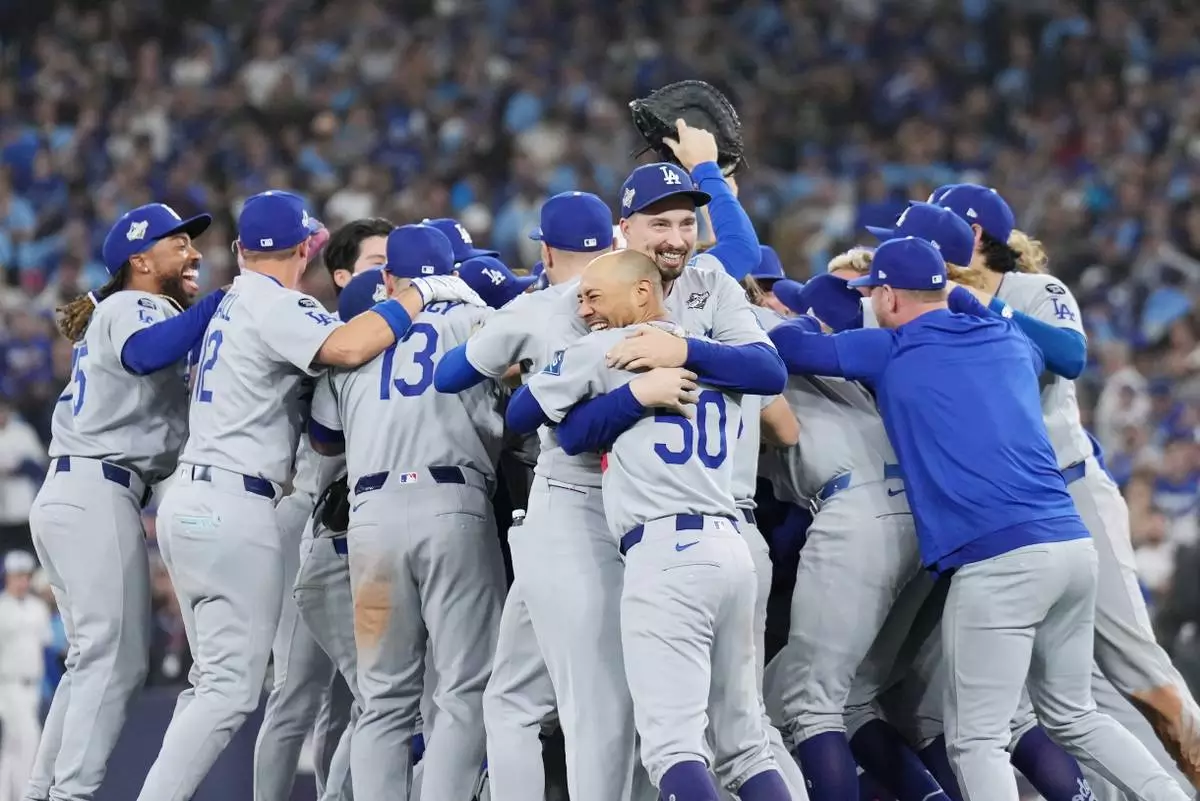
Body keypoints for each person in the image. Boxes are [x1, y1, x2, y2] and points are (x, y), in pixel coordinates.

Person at [768, 236, 1191, 801]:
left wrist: (804, 319)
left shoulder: (890, 348)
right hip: (1070, 544)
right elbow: (999, 326)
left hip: (999, 561)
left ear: (889, 295)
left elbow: (790, 349)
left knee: (976, 741)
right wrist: (962, 299)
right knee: (1075, 717)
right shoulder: (1009, 337)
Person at [136, 190, 484, 801]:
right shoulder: (277, 303)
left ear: (241, 249)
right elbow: (349, 348)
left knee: (212, 684)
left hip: (193, 497)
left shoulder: (235, 299)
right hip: (233, 504)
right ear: (304, 249)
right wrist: (422, 290)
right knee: (230, 691)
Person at [934, 183, 1200, 790]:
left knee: (1136, 664)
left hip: (1072, 491)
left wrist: (988, 308)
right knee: (1072, 700)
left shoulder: (1033, 290)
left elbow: (1071, 355)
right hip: (1012, 515)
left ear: (975, 235)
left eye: (941, 228)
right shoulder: (938, 302)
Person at [508, 249, 792, 801]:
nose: (584, 307)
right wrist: (636, 397)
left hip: (668, 553)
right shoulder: (723, 356)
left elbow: (523, 416)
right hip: (732, 545)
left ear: (643, 291)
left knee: (672, 749)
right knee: (745, 746)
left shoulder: (609, 347)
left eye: (594, 295)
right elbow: (768, 371)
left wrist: (623, 392)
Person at [27, 202, 224, 801]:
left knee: (93, 660)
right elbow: (144, 353)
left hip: (80, 491)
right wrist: (222, 304)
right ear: (141, 260)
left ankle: (42, 791)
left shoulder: (130, 308)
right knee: (114, 663)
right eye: (178, 244)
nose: (193, 252)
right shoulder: (133, 305)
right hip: (96, 489)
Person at [308, 224, 502, 801]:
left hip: (372, 518)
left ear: (388, 277)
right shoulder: (478, 323)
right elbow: (516, 414)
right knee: (465, 689)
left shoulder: (361, 335)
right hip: (453, 504)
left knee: (382, 699)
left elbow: (322, 439)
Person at [253, 216, 393, 801]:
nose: (391, 276)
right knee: (297, 692)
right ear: (341, 275)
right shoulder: (315, 336)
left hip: (367, 528)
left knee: (371, 697)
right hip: (313, 519)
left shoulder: (389, 340)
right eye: (375, 265)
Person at [0, 551, 51, 801]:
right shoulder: (1, 608)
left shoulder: (37, 608)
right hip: (8, 686)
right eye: (16, 576)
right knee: (30, 740)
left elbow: (47, 645)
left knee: (12, 748)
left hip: (33, 686)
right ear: (7, 577)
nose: (21, 581)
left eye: (25, 576)